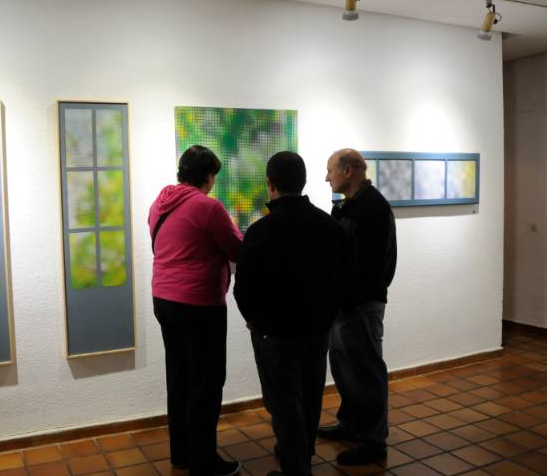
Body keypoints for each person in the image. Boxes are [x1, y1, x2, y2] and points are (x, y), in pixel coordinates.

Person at [234, 152, 348, 476]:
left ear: (270, 184)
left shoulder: (260, 231)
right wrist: (328, 315)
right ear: (303, 182)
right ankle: (300, 455)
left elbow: (243, 286)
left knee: (283, 404)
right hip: (317, 330)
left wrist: (253, 319)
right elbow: (343, 278)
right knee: (310, 398)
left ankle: (296, 468)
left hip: (275, 334)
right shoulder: (330, 226)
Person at [149, 145, 243, 476]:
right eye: (213, 175)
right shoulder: (208, 207)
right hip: (199, 304)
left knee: (179, 377)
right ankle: (204, 461)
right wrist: (234, 227)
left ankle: (182, 453)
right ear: (207, 176)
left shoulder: (159, 204)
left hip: (163, 299)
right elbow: (236, 249)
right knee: (206, 380)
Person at [317, 148, 397, 466]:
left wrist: (348, 299)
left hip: (360, 305)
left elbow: (374, 267)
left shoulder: (373, 208)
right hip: (345, 305)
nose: (327, 177)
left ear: (348, 171)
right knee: (345, 368)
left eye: (330, 170)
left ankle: (373, 441)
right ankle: (351, 423)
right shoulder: (349, 206)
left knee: (365, 371)